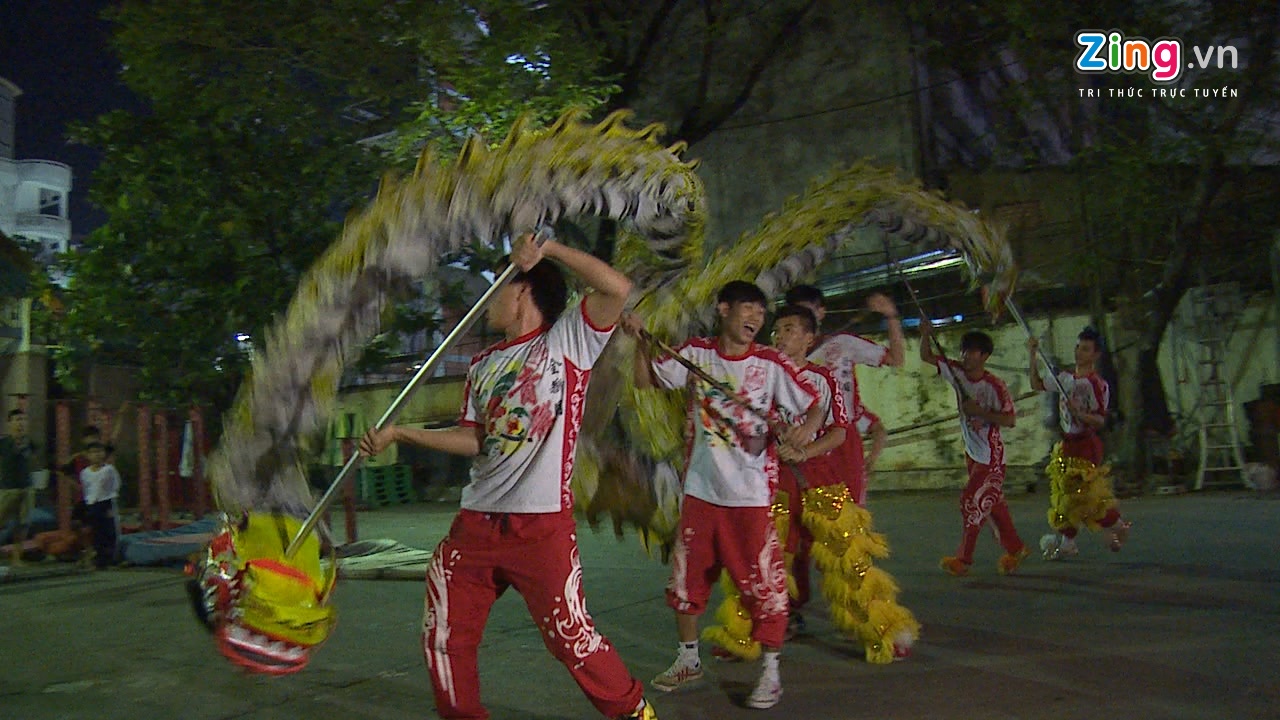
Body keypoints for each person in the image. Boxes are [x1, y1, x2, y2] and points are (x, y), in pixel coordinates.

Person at [359, 233, 657, 720]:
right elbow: (474, 439)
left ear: (521, 291)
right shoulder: (483, 366)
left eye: (494, 289)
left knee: (572, 639)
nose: (485, 304)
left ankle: (633, 712)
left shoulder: (566, 344)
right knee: (443, 635)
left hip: (540, 529)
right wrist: (401, 433)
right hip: (476, 525)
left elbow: (617, 289)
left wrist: (550, 250)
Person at [627, 281, 823, 710]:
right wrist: (640, 342)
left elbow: (814, 405)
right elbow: (647, 381)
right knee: (685, 578)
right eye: (747, 309)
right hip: (700, 492)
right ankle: (688, 660)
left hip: (750, 497)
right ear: (723, 309)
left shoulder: (771, 364)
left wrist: (802, 432)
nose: (755, 319)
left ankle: (771, 671)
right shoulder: (697, 354)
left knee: (763, 584)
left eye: (760, 312)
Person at [921, 325, 1029, 576]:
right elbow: (927, 356)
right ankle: (1016, 548)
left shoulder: (994, 386)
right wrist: (925, 333)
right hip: (973, 454)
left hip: (990, 458)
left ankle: (963, 559)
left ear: (984, 356)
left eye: (971, 352)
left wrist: (980, 412)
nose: (965, 356)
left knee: (972, 502)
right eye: (963, 351)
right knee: (992, 504)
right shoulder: (956, 372)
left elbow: (1010, 420)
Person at [784, 285, 904, 506]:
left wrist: (891, 316)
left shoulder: (843, 343)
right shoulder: (778, 355)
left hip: (840, 438)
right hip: (796, 438)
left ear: (821, 312)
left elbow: (896, 358)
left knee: (849, 515)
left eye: (807, 311)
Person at [1028, 327, 1131, 559]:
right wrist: (1032, 355)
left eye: (1085, 349)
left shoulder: (1097, 385)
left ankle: (1116, 526)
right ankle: (1068, 542)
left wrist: (1080, 414)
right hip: (1067, 444)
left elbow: (1100, 420)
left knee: (1085, 497)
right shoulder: (1064, 379)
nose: (1078, 352)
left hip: (1086, 445)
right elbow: (1036, 383)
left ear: (1095, 355)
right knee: (1066, 496)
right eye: (1078, 347)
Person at [0, 409, 36, 567]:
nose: (20, 423)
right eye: (16, 420)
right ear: (10, 423)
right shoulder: (3, 443)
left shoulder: (30, 443)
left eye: (23, 419)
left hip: (27, 488)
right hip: (8, 489)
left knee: (23, 524)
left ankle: (16, 558)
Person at [79, 441, 121, 569]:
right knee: (96, 532)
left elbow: (116, 485)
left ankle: (110, 558)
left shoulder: (109, 469)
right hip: (92, 504)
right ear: (88, 455)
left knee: (109, 531)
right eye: (93, 452)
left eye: (99, 452)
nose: (97, 455)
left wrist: (110, 502)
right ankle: (98, 559)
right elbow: (86, 488)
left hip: (106, 502)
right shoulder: (85, 472)